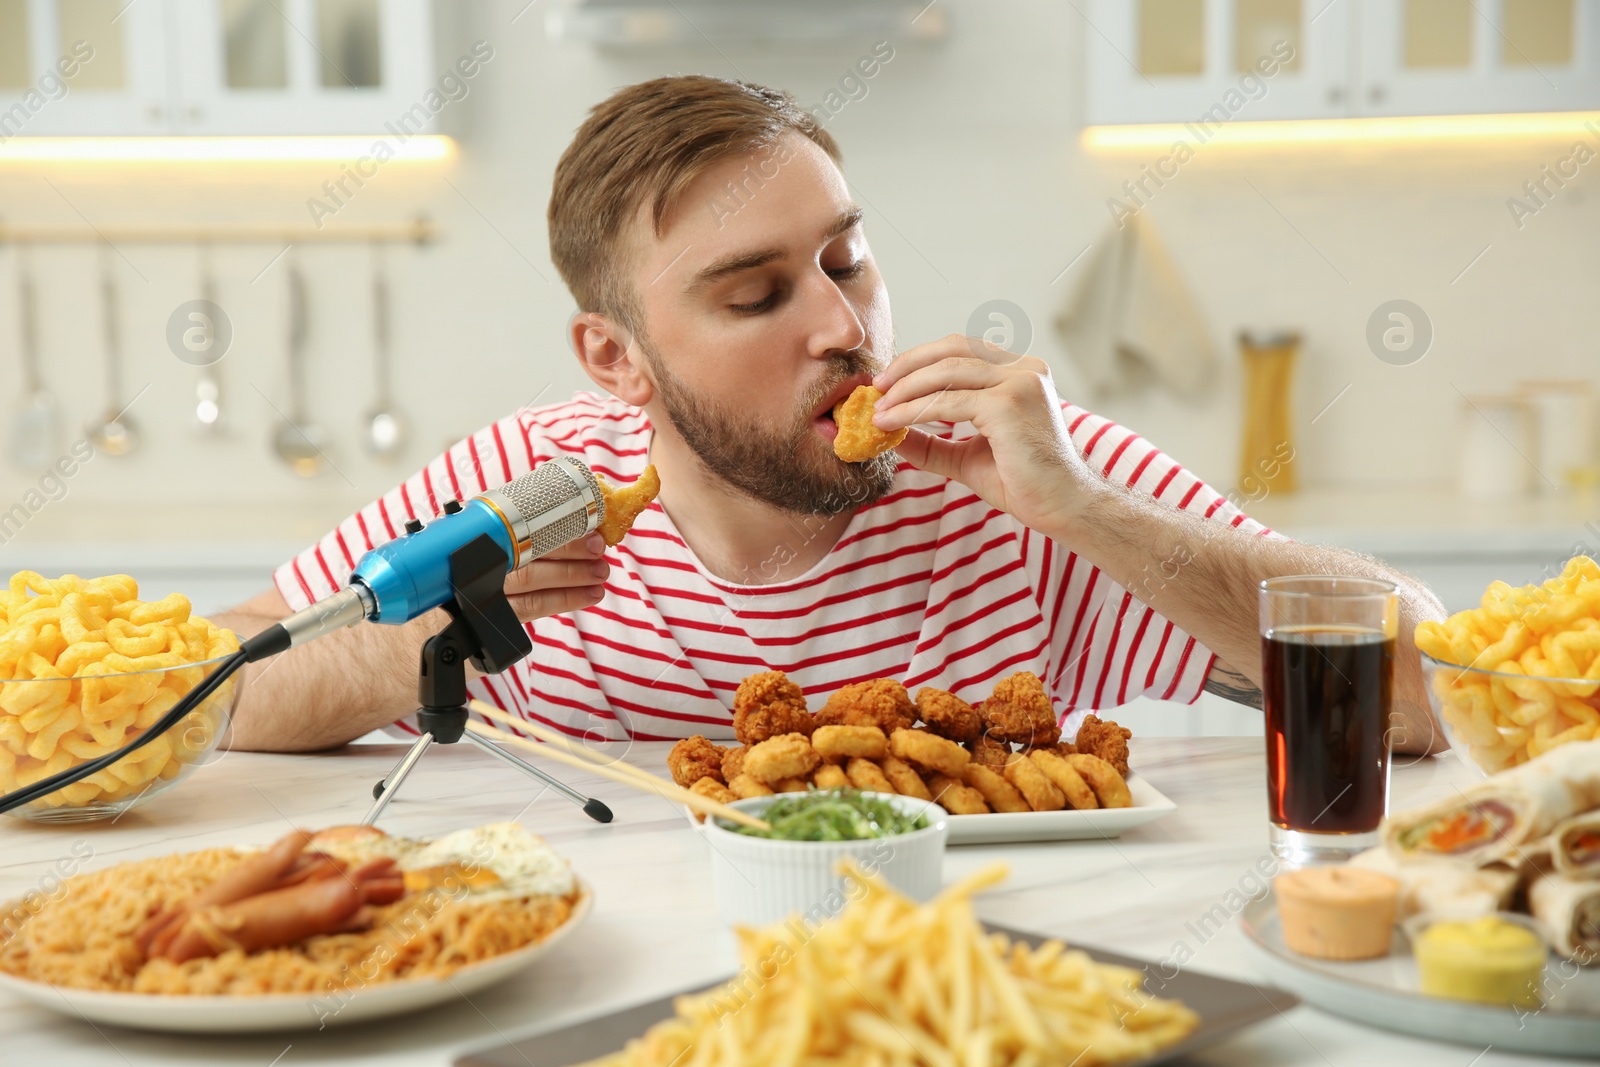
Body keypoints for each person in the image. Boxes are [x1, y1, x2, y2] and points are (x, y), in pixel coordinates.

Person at [217, 75, 1446, 754]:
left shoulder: (1018, 476)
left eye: (847, 260)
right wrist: (421, 641)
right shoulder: (525, 485)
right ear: (615, 357)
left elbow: (1424, 692)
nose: (843, 327)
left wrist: (1092, 515)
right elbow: (211, 687)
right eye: (754, 294)